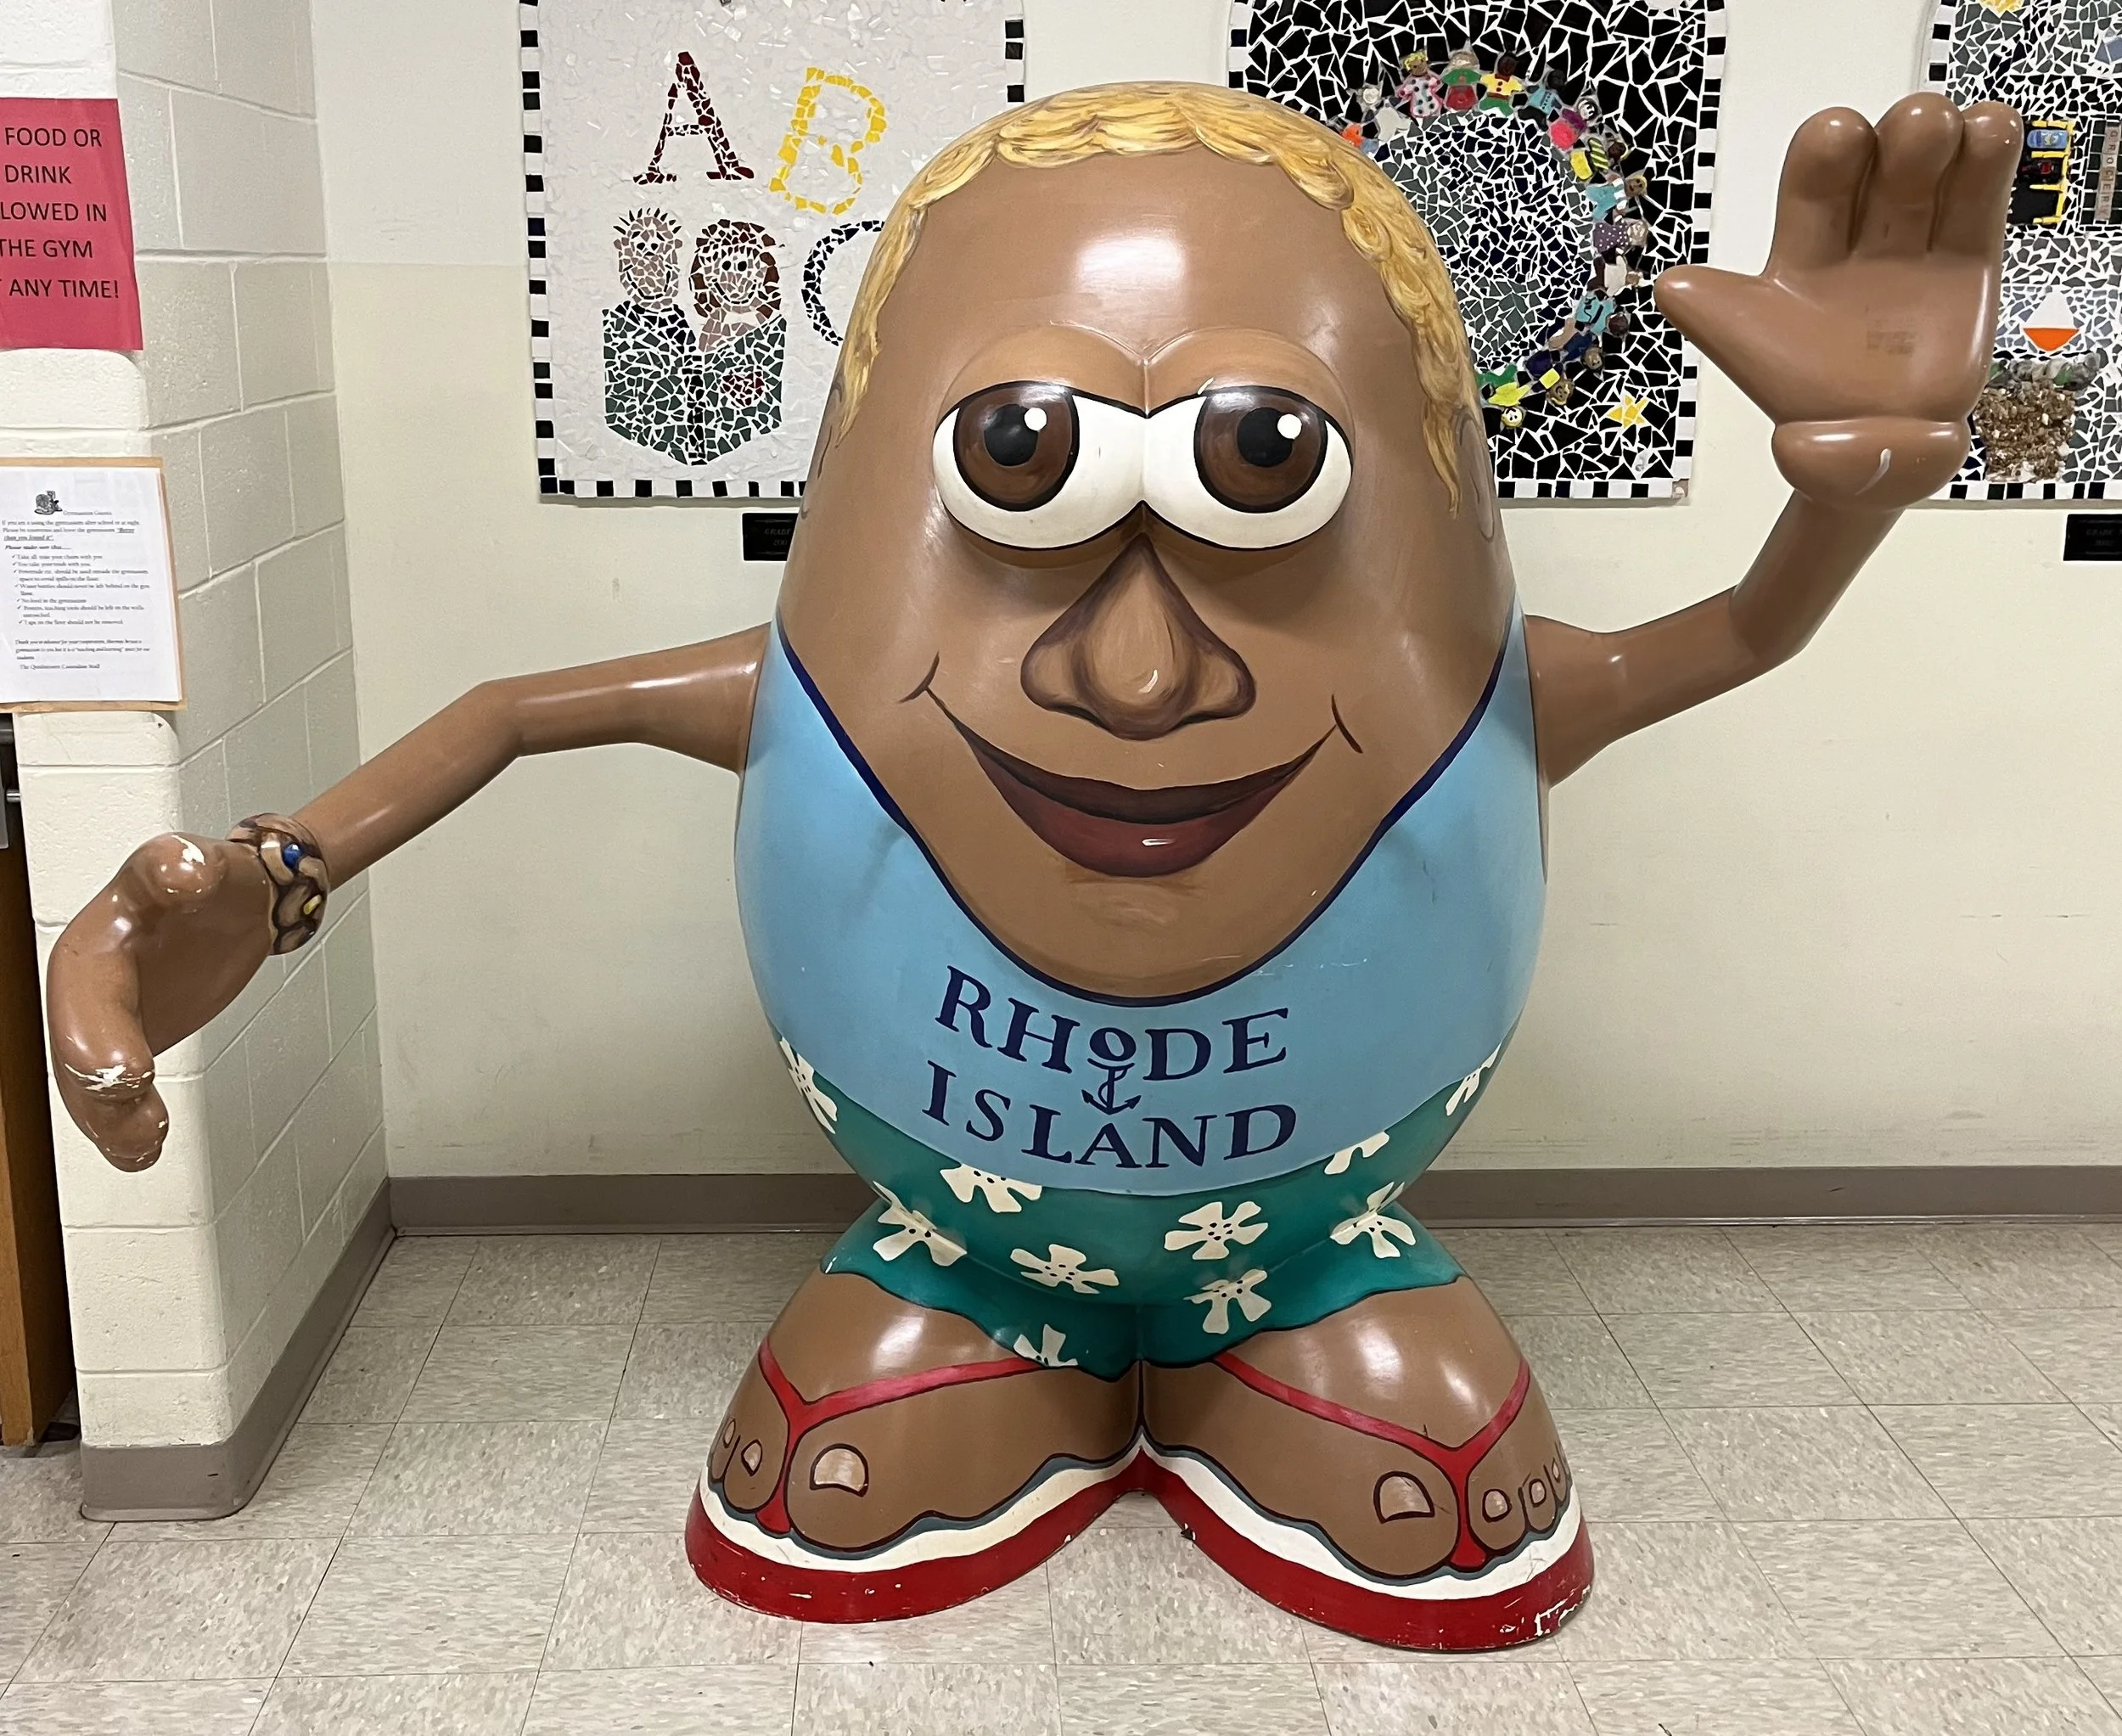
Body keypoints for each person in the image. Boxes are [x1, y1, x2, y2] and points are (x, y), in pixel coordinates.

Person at [47, 82, 2017, 1650]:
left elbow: (1742, 632)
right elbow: (501, 711)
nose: (1136, 673)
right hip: (951, 1232)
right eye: (1018, 458)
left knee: (1413, 1445)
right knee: (852, 1441)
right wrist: (274, 870)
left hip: (1316, 1228)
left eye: (1260, 461)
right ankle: (1001, 1299)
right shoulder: (805, 686)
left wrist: (1840, 503)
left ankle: (1272, 1302)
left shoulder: (1491, 690)